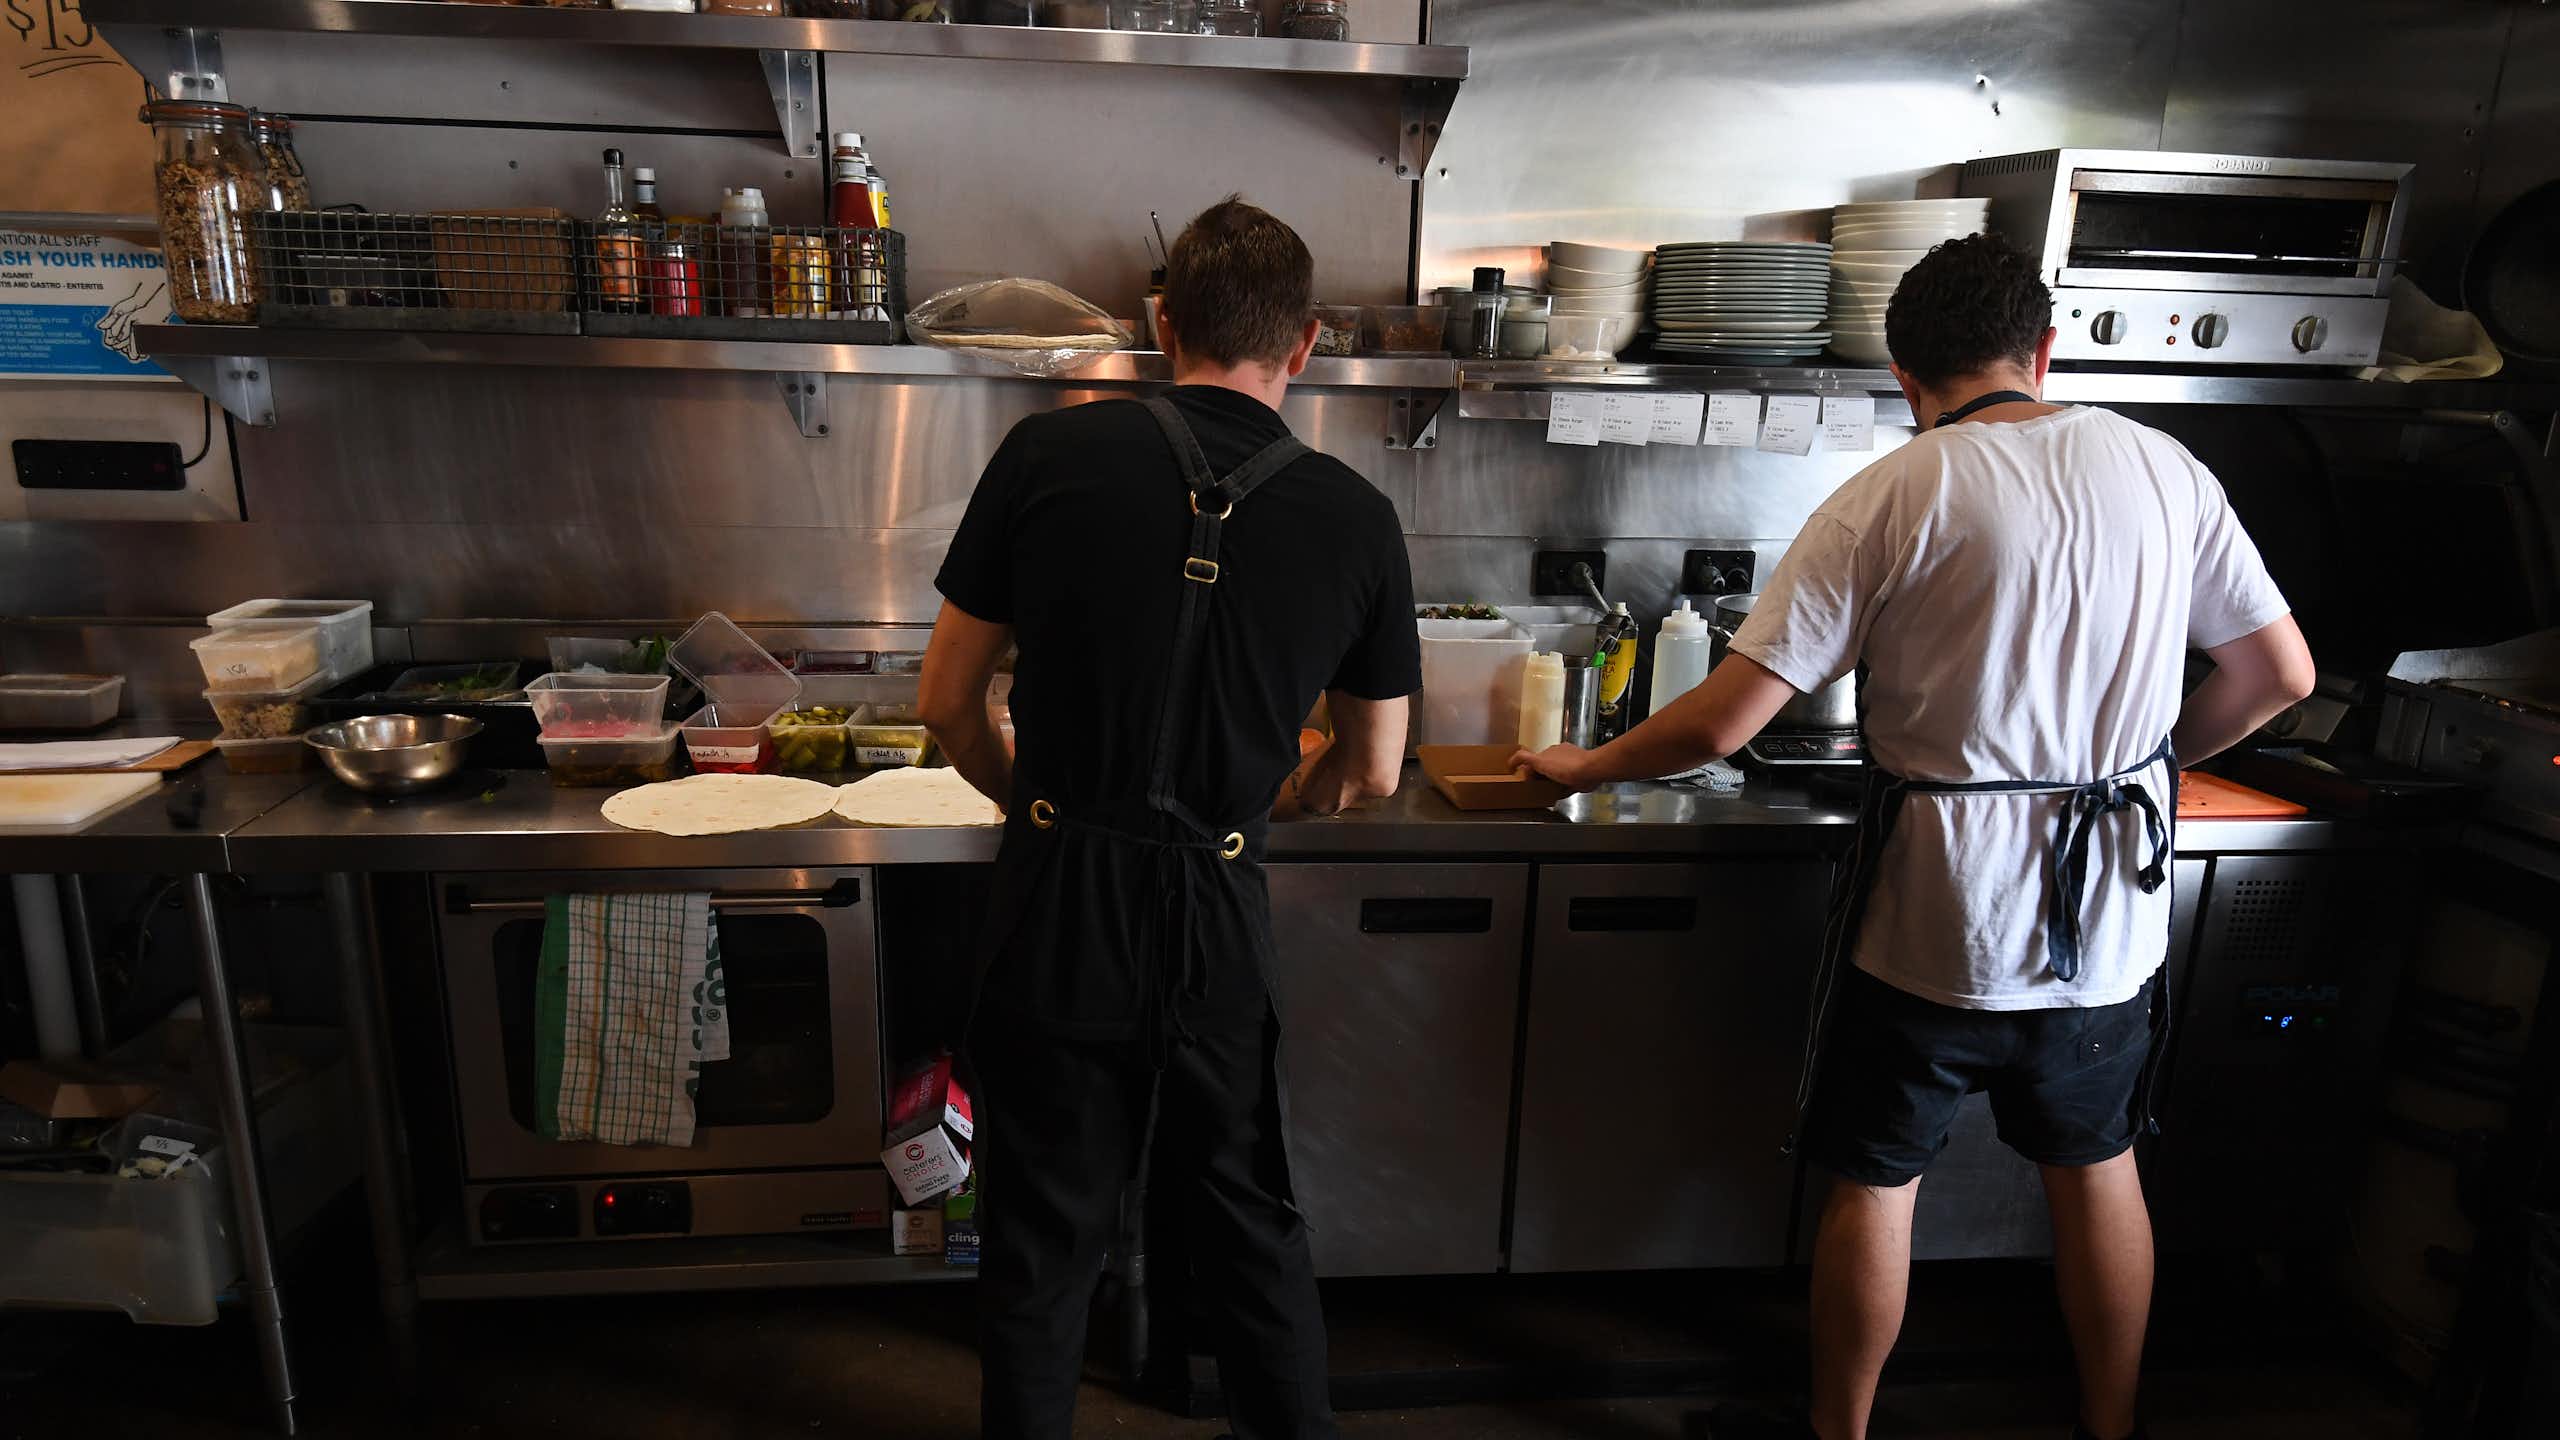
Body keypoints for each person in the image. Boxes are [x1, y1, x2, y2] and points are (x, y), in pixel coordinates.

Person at [1513, 235, 2316, 1440]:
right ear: (2040, 351)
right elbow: (2278, 675)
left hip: (1934, 917)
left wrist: (1586, 765)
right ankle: (2111, 1425)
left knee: (1876, 1180)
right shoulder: (2164, 468)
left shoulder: (1895, 490)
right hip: (2103, 922)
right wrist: (2146, 766)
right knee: (2098, 1170)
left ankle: (1841, 1431)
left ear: (1902, 373)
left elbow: (1729, 714)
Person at [918, 196, 1419, 1440]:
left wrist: (1033, 807)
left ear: (1159, 324)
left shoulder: (1046, 455)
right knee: (1247, 1223)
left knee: (1043, 1241)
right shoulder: (1356, 516)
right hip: (1215, 901)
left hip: (1058, 902)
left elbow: (945, 702)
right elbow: (1376, 766)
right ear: (1303, 345)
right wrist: (1274, 796)